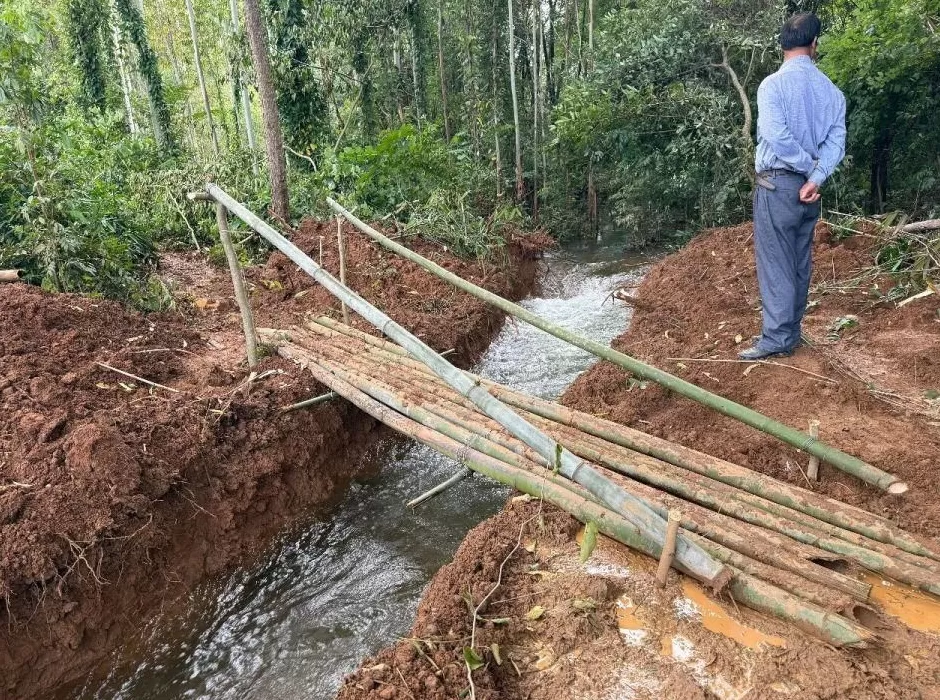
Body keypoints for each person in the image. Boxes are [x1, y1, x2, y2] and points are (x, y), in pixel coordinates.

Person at [738, 12, 846, 361]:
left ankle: (777, 338)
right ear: (815, 44)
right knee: (799, 260)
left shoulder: (772, 86)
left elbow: (776, 137)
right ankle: (791, 332)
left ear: (782, 43)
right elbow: (835, 143)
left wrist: (803, 171)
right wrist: (814, 178)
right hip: (808, 191)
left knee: (776, 262)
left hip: (777, 184)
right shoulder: (833, 93)